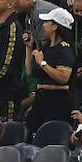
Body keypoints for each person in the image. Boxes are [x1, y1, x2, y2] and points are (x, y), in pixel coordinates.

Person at [23, 8, 75, 136]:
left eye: (47, 22)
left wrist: (42, 63)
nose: (43, 24)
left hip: (56, 101)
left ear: (55, 26)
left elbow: (63, 77)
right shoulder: (46, 48)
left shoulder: (64, 49)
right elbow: (30, 72)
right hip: (41, 98)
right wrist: (29, 49)